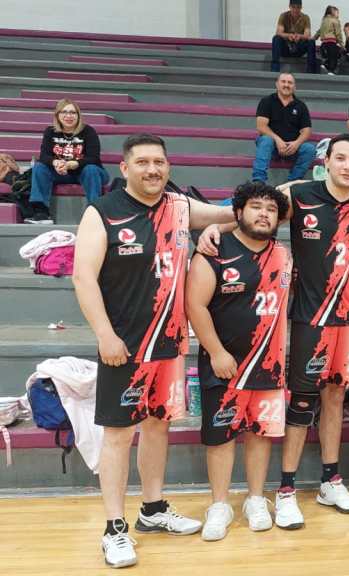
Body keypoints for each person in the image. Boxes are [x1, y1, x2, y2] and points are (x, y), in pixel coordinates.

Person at [196, 134, 349, 529]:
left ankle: (331, 480)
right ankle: (287, 490)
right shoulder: (298, 195)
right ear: (326, 161)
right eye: (340, 158)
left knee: (335, 399)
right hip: (306, 319)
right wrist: (217, 229)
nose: (347, 166)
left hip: (346, 321)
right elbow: (255, 211)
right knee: (301, 404)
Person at [72, 134, 235, 568]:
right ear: (124, 168)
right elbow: (83, 277)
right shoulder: (101, 213)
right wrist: (105, 334)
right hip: (123, 347)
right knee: (119, 436)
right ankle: (114, 528)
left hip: (169, 345)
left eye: (159, 162)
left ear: (168, 167)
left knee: (159, 426)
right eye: (142, 162)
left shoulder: (180, 207)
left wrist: (221, 224)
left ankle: (153, 509)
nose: (152, 169)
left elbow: (227, 214)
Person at [187, 181, 292, 541]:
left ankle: (255, 499)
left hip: (268, 363)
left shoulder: (284, 255)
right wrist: (216, 351)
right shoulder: (213, 252)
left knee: (260, 434)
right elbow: (194, 305)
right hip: (224, 364)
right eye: (255, 206)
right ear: (238, 212)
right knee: (221, 437)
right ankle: (219, 503)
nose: (263, 214)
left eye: (271, 209)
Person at [28, 98, 109, 224]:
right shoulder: (50, 131)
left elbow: (94, 158)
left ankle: (95, 212)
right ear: (58, 115)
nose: (68, 116)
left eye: (72, 112)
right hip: (60, 172)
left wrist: (75, 164)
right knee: (39, 167)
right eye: (64, 112)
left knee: (91, 169)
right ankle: (41, 212)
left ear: (78, 115)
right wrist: (56, 163)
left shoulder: (88, 131)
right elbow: (44, 156)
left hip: (86, 172)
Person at [253, 73, 315, 184]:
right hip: (272, 147)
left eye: (290, 82)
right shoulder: (266, 101)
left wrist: (296, 144)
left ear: (294, 87)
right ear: (277, 84)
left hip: (292, 148)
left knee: (309, 149)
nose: (286, 85)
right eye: (283, 82)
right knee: (266, 140)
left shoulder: (300, 106)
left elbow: (306, 131)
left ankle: (291, 183)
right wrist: (277, 140)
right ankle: (259, 181)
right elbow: (261, 126)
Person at [271, 1, 318, 75]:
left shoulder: (305, 17)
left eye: (298, 7)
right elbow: (278, 32)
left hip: (298, 47)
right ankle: (274, 68)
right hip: (286, 47)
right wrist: (289, 36)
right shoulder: (283, 16)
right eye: (293, 7)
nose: (295, 10)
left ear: (301, 8)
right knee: (276, 38)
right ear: (289, 7)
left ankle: (311, 70)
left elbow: (307, 35)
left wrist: (299, 36)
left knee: (311, 41)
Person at [315, 5, 343, 75]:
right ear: (332, 12)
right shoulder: (335, 21)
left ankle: (325, 64)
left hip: (324, 43)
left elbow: (319, 30)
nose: (338, 15)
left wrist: (314, 37)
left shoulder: (324, 20)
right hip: (332, 42)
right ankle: (331, 70)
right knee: (334, 57)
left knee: (329, 56)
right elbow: (338, 33)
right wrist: (342, 44)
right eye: (337, 13)